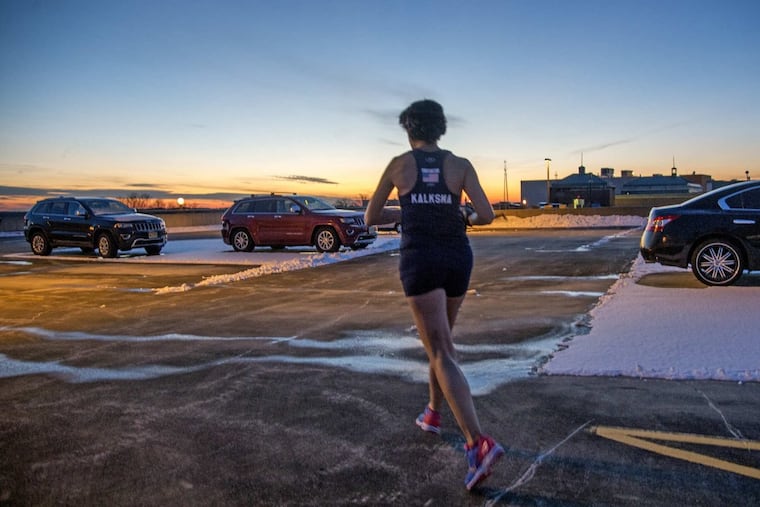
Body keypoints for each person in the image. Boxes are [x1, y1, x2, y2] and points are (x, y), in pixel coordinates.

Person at [365, 99, 503, 490]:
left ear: (409, 131)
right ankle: (433, 413)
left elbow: (371, 217)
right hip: (458, 258)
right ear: (441, 129)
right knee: (440, 343)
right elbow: (485, 214)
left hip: (421, 260)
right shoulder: (460, 165)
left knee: (440, 348)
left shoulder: (399, 165)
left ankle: (479, 444)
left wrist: (406, 213)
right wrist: (460, 215)